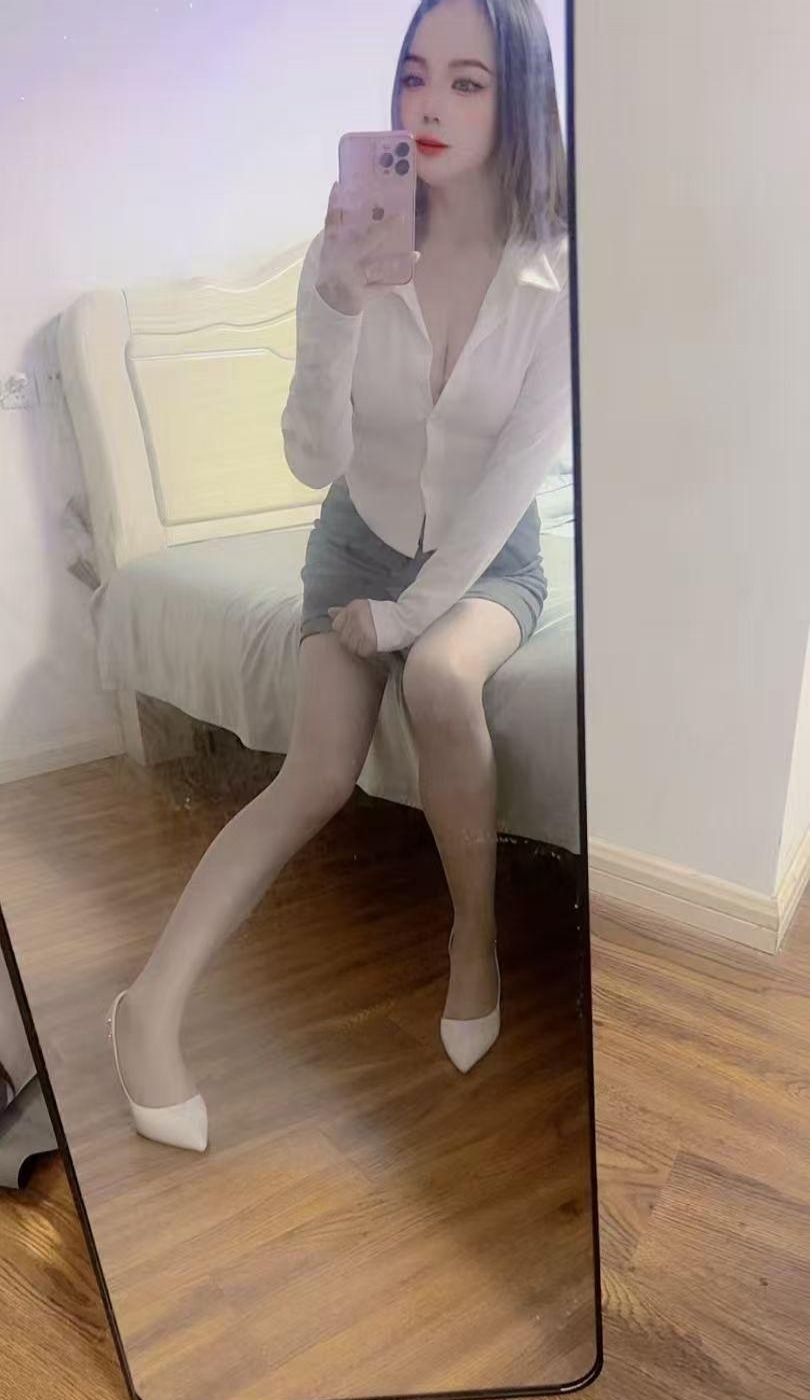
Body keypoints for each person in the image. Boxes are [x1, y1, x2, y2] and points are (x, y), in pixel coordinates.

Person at [107, 0, 571, 1152]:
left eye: (468, 81)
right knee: (314, 771)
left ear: (519, 102)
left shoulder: (561, 278)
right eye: (416, 75)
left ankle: (472, 939)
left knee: (443, 679)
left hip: (485, 555)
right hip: (356, 537)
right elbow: (312, 461)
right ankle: (146, 1010)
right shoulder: (349, 252)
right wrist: (337, 306)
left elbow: (510, 488)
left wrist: (408, 617)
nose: (430, 103)